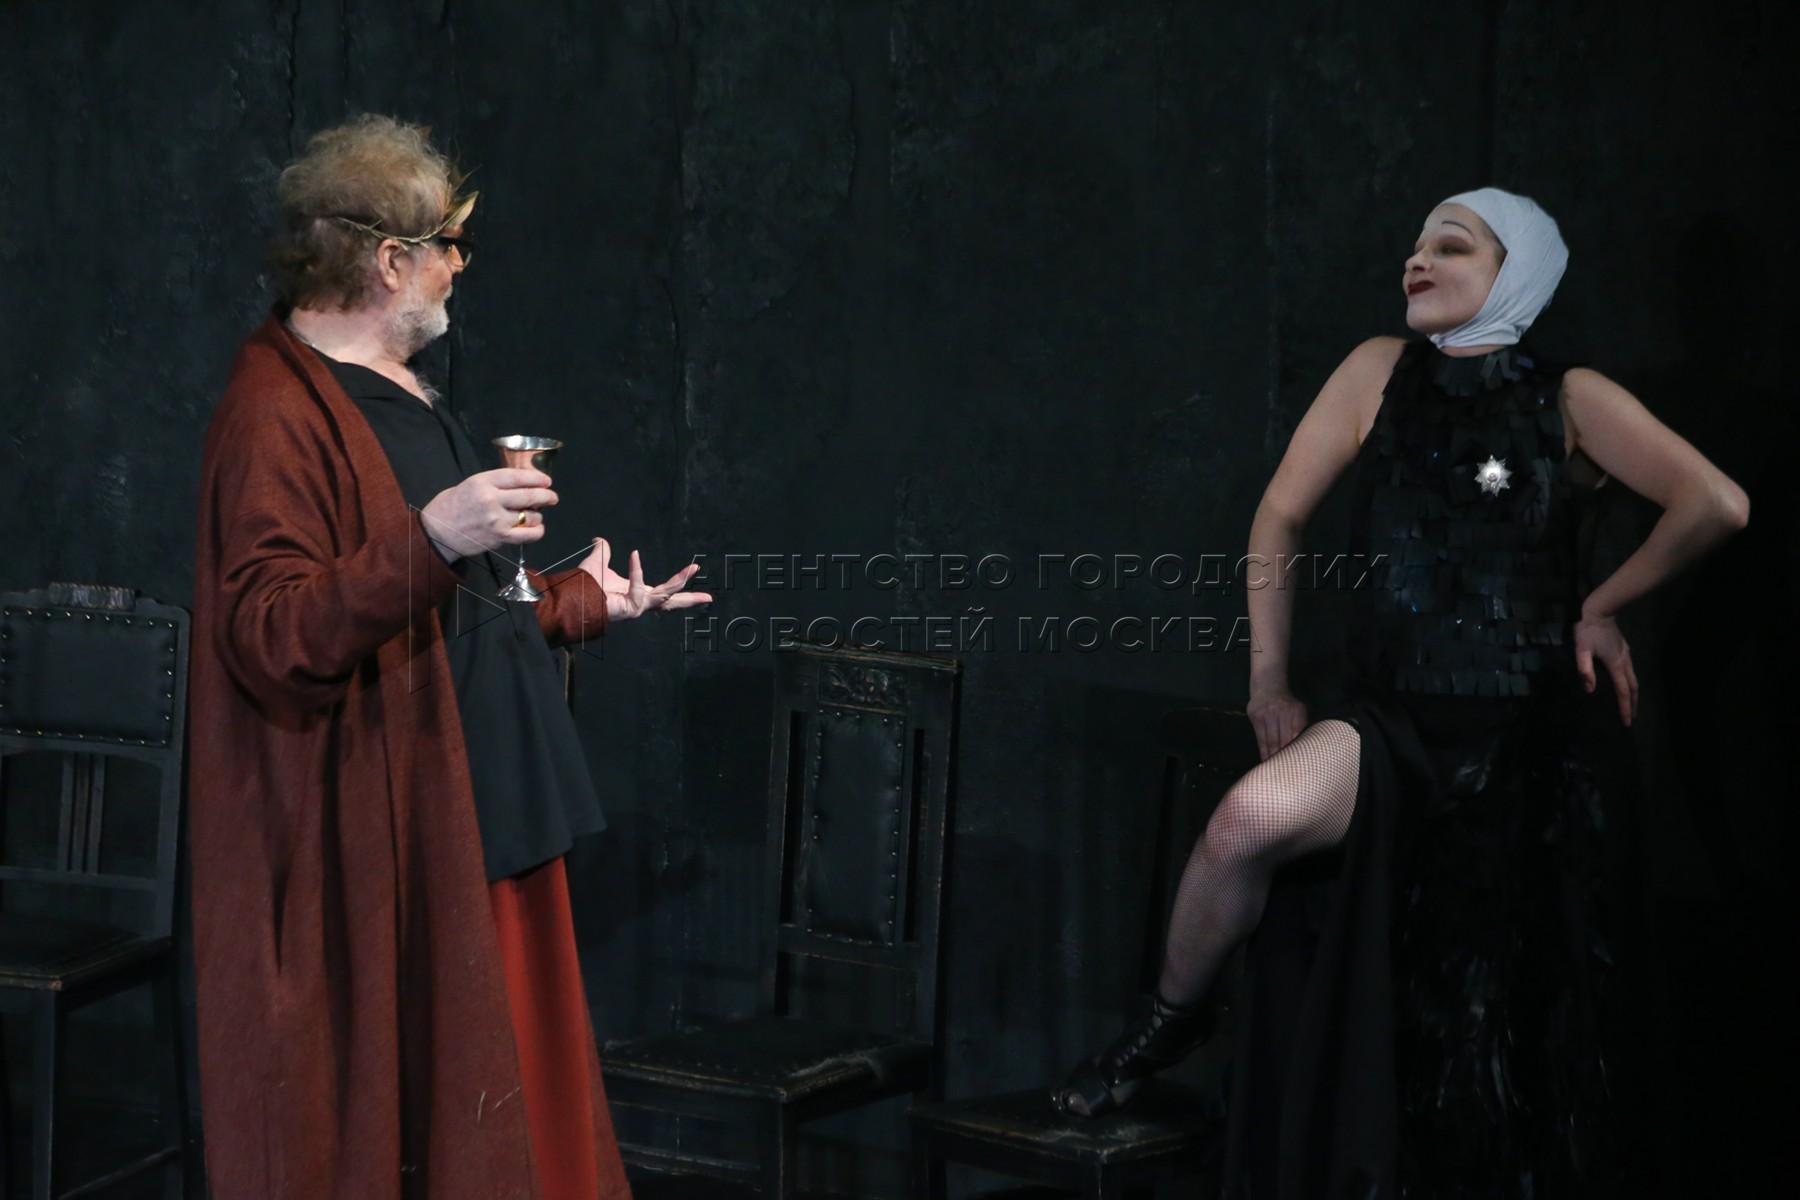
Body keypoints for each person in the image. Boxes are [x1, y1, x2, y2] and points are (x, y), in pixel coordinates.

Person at [1055, 188, 1749, 1196]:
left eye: (1450, 246)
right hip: (1393, 727)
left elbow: (1717, 502)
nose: (1417, 261)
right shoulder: (1376, 371)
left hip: (1526, 748)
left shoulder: (1571, 397)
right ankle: (1167, 1022)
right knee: (1246, 821)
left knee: (1496, 1043)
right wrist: (1268, 681)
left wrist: (1602, 604)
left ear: (1515, 271)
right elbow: (1278, 516)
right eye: (1415, 245)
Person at [189, 115, 709, 1200]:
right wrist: (432, 535)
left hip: (482, 808)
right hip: (396, 836)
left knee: (517, 1106)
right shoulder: (276, 414)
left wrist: (578, 602)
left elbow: (450, 606)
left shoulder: (404, 394)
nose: (460, 266)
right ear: (390, 260)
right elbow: (274, 633)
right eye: (450, 243)